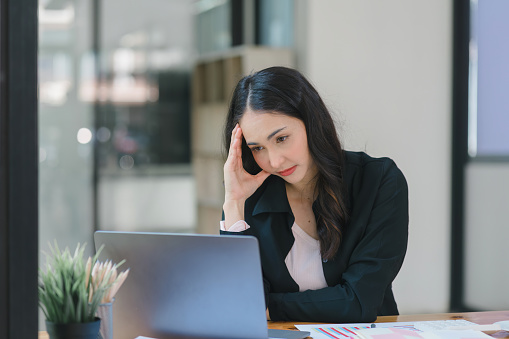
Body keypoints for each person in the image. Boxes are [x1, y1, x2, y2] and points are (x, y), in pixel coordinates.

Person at [220, 66, 408, 323]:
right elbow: (237, 304)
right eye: (257, 148)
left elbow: (359, 303)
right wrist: (233, 203)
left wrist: (269, 308)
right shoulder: (247, 197)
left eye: (282, 138)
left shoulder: (378, 182)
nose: (274, 161)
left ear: (312, 122)